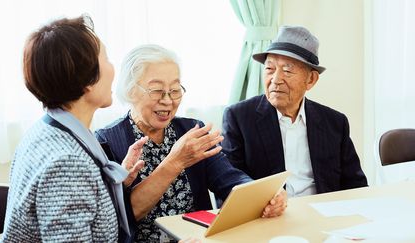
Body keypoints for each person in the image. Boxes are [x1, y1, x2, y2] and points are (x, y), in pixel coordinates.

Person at [95, 44, 288, 243]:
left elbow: (229, 179)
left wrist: (265, 196)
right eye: (157, 90)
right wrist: (175, 162)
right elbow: (119, 218)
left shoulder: (191, 130)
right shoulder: (106, 141)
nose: (168, 100)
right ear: (130, 90)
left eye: (175, 90)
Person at [1, 15, 146, 242]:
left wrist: (113, 181)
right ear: (87, 79)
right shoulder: (68, 163)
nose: (113, 68)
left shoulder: (48, 130)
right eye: (106, 58)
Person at [221, 26, 368, 198]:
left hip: (322, 214)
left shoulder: (335, 122)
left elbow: (355, 185)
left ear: (311, 79)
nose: (275, 80)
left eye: (287, 70)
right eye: (269, 69)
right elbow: (229, 184)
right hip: (268, 217)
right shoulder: (239, 118)